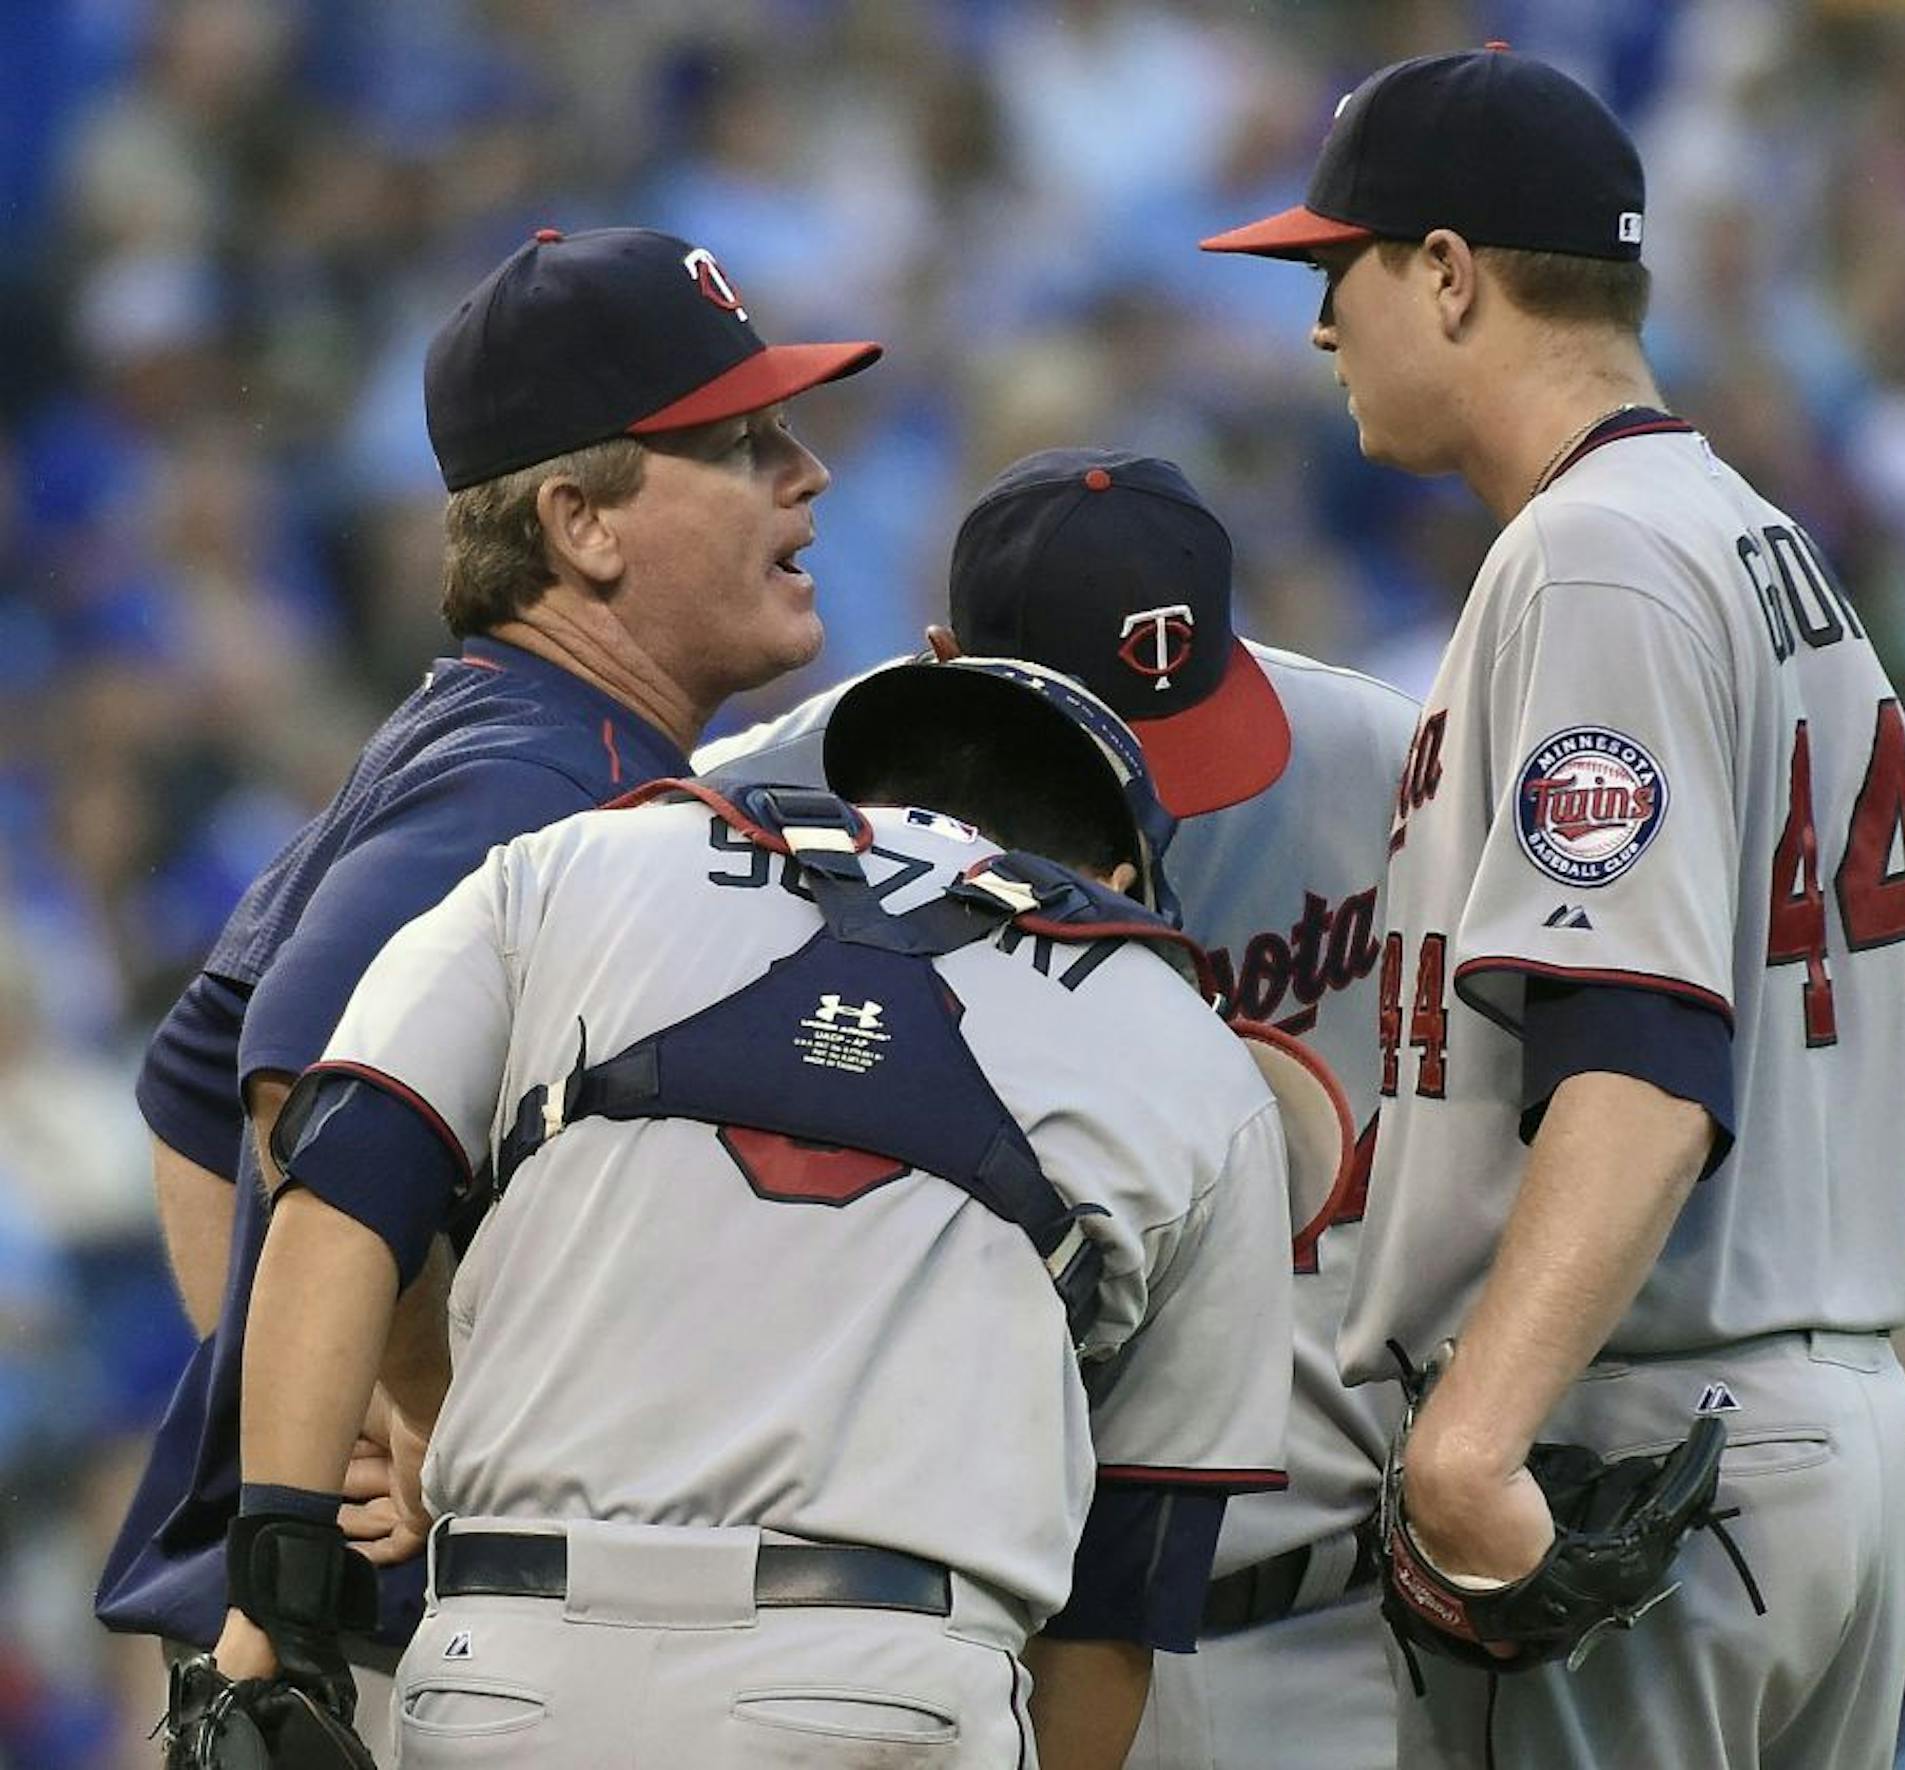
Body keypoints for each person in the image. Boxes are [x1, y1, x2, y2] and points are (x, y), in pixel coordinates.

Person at [1202, 45, 1905, 1770]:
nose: (1319, 326)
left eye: (1338, 269)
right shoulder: (1752, 535)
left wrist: (1473, 1440)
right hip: (1816, 1429)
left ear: (1446, 274)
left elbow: (1647, 1059)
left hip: (1651, 1441)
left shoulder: (1595, 552)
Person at [211, 658, 1296, 1770]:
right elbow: (1120, 1589)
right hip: (882, 1682)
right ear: (1116, 873)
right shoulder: (1186, 1051)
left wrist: (273, 1598)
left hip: (510, 1659)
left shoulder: (580, 862)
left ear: (860, 791)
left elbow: (343, 1181)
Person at [99, 223, 879, 1752]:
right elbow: (295, 1077)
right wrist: (416, 1411)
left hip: (375, 1642)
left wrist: (298, 1391)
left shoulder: (492, 727)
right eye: (741, 443)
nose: (808, 472)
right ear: (582, 524)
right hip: (406, 1656)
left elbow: (192, 1088)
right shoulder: (542, 775)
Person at [697, 447, 1420, 1770]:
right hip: (926, 1615)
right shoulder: (762, 801)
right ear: (940, 664)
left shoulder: (1381, 758)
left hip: (1328, 1615)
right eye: (1095, 756)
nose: (1151, 808)